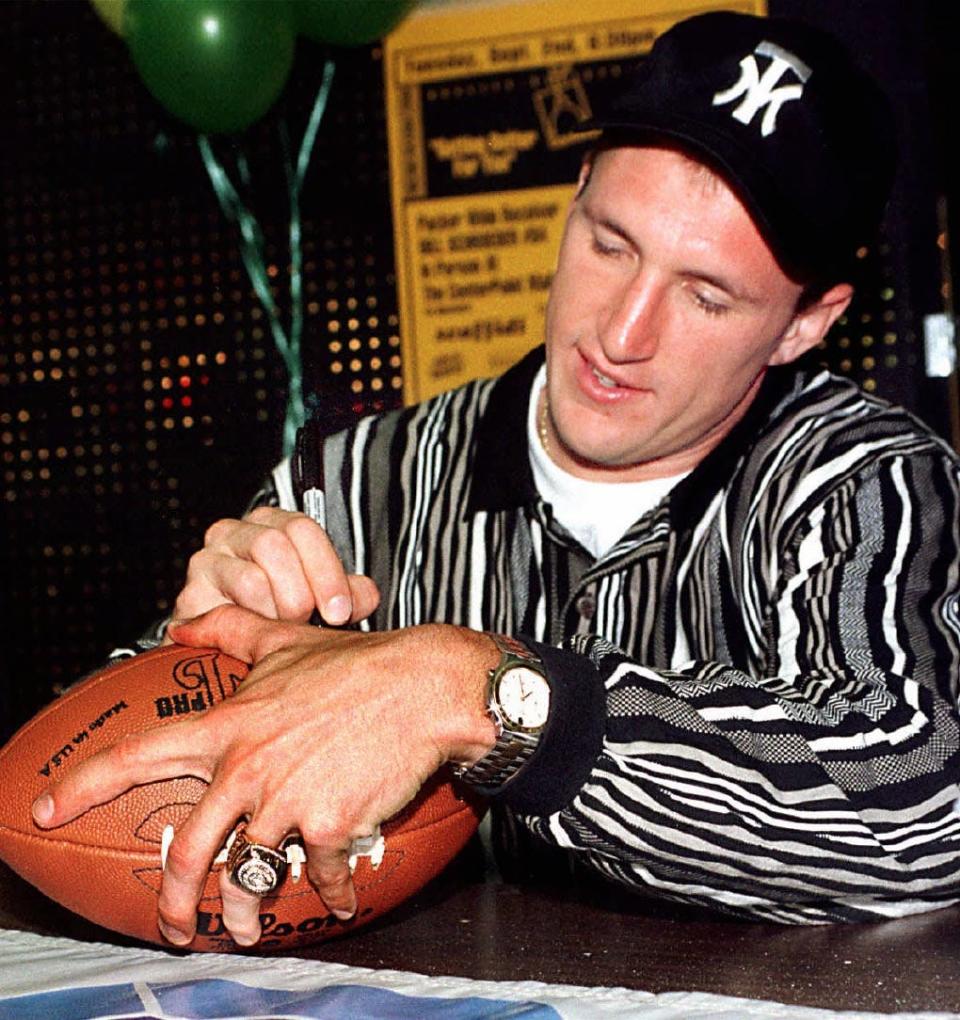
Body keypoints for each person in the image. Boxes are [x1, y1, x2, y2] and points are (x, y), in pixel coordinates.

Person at [32, 11, 960, 947]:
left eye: (705, 294)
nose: (622, 334)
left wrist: (485, 699)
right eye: (610, 244)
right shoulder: (353, 484)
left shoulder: (865, 484)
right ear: (576, 196)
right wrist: (198, 663)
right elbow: (70, 799)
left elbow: (928, 804)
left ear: (808, 322)